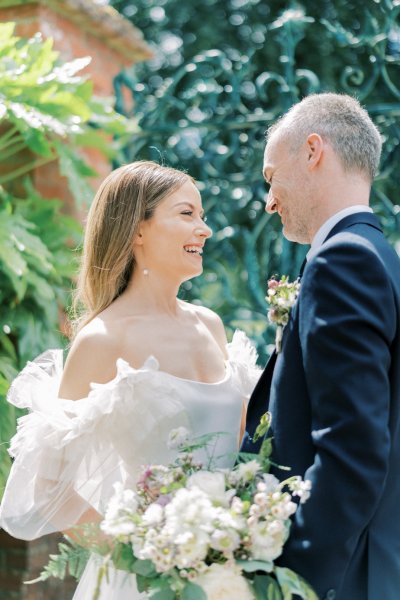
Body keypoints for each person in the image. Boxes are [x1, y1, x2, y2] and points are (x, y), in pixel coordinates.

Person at [0, 161, 260, 599]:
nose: (205, 229)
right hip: (143, 580)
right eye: (186, 214)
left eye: (202, 215)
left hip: (227, 570)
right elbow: (47, 488)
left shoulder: (210, 325)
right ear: (137, 230)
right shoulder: (104, 339)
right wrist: (142, 556)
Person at [242, 93, 400, 600]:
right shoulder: (379, 255)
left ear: (313, 150)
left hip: (342, 575)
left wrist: (291, 578)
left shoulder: (343, 260)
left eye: (271, 177)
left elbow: (351, 447)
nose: (269, 201)